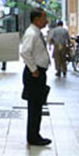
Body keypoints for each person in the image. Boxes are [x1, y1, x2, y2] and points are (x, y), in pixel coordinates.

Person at [20, 8, 52, 146]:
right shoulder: (31, 33)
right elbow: (25, 52)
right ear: (37, 19)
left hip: (39, 72)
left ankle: (35, 134)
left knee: (37, 105)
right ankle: (33, 136)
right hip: (34, 73)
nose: (47, 21)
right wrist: (33, 69)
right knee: (34, 106)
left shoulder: (37, 33)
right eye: (44, 18)